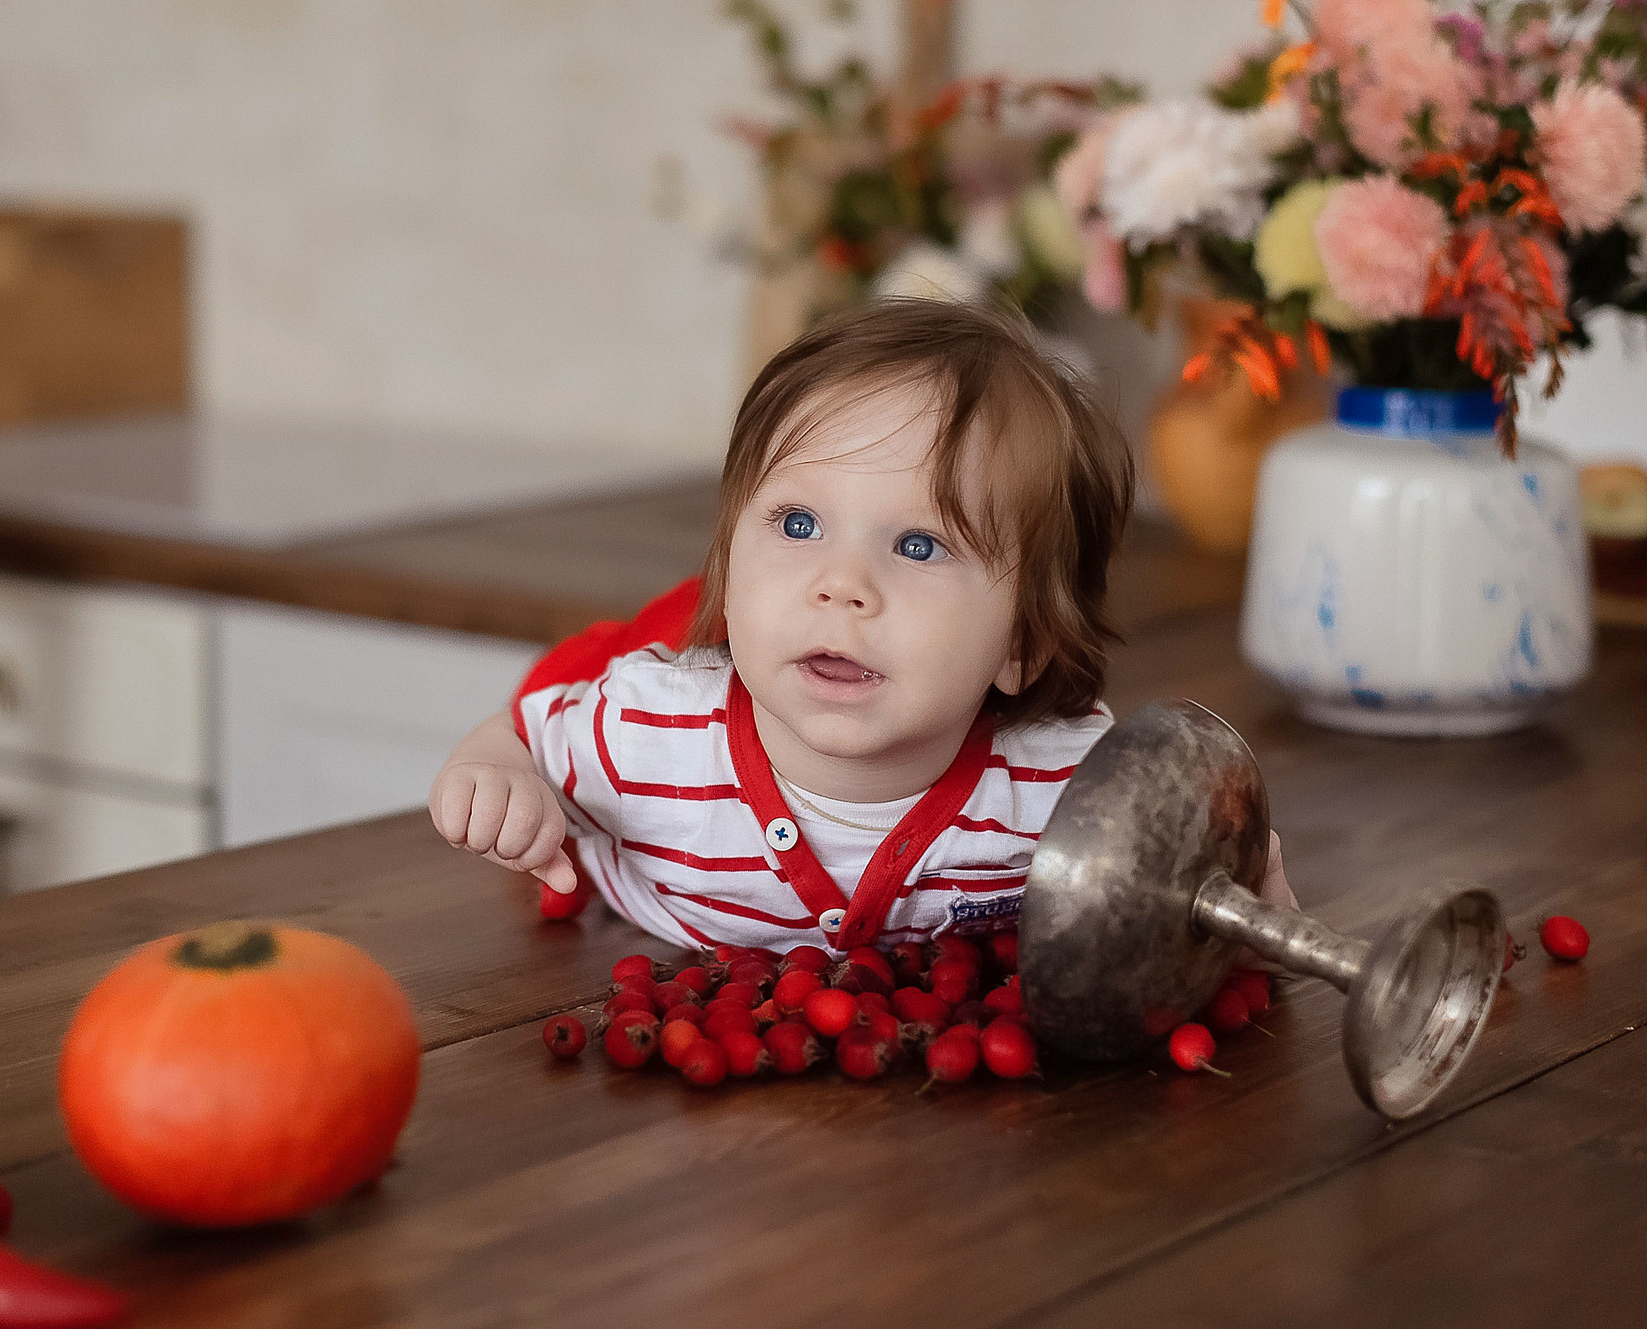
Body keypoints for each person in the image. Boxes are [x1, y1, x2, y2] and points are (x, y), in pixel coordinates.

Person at [429, 299, 1290, 954]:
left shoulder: (1067, 790)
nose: (842, 586)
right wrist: (493, 775)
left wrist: (1252, 901)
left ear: (1021, 645)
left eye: (920, 545)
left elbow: (1191, 875)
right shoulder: (647, 731)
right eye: (797, 525)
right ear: (729, 572)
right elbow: (521, 730)